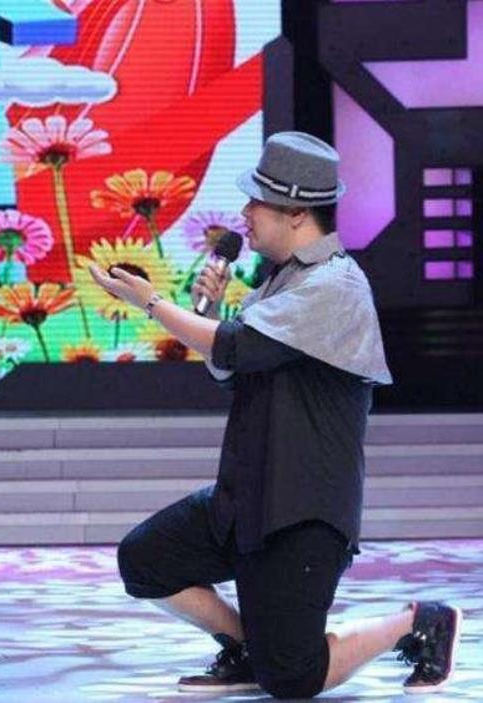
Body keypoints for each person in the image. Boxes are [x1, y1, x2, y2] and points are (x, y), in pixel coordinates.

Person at [89, 131, 461, 698]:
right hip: (247, 495)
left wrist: (151, 302)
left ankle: (418, 622)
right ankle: (248, 648)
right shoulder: (278, 282)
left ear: (296, 212)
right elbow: (232, 366)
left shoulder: (335, 284)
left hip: (302, 510)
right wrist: (211, 309)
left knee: (292, 676)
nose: (245, 213)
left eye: (257, 201)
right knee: (145, 559)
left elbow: (235, 346)